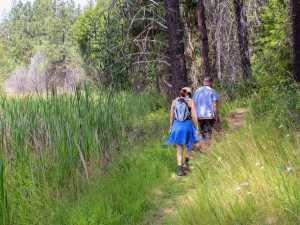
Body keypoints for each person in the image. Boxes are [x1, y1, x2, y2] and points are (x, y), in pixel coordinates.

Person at [165, 87, 200, 177]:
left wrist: (171, 127)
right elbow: (194, 116)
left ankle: (180, 171)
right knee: (189, 144)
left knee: (179, 149)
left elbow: (172, 116)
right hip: (187, 126)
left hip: (176, 126)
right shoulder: (191, 101)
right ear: (189, 94)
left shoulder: (174, 101)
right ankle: (186, 163)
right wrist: (197, 128)